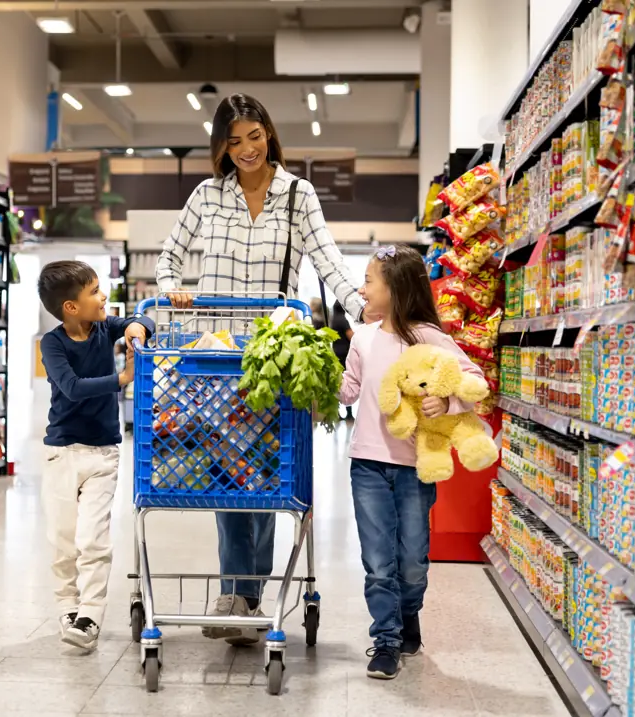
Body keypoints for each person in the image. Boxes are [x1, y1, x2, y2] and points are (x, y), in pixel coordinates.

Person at [156, 93, 365, 645]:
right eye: (234, 140)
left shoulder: (299, 195)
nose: (247, 149)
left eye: (255, 136)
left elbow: (328, 260)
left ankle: (246, 593)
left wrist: (371, 313)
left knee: (266, 478)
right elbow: (169, 256)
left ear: (269, 133)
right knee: (228, 477)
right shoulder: (207, 196)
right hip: (216, 356)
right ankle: (237, 592)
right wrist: (172, 290)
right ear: (221, 147)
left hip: (274, 356)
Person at [338, 246, 485, 680]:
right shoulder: (361, 337)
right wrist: (319, 383)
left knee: (413, 560)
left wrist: (448, 398)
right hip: (366, 462)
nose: (362, 290)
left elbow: (475, 378)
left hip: (413, 466)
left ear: (396, 289)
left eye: (369, 281)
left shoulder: (430, 338)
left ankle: (409, 610)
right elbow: (350, 389)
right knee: (378, 561)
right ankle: (385, 638)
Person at [37, 260, 155, 651]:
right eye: (94, 292)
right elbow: (71, 387)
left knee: (93, 538)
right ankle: (67, 606)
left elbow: (143, 320)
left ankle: (90, 615)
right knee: (63, 540)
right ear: (71, 306)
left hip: (103, 453)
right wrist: (121, 379)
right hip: (62, 453)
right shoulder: (52, 344)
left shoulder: (106, 326)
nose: (103, 297)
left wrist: (139, 326)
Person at [329, 302, 355, 419]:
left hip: (336, 353)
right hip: (345, 354)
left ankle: (337, 413)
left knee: (338, 382)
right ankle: (349, 413)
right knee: (347, 383)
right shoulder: (343, 320)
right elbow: (351, 336)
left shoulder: (333, 320)